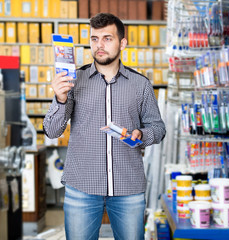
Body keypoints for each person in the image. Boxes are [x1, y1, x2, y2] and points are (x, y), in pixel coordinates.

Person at [43, 13, 166, 240]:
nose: (99, 45)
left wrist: (142, 134)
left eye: (107, 38)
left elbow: (158, 128)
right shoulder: (72, 81)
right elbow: (52, 130)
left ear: (122, 43)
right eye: (94, 39)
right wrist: (60, 99)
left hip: (127, 186)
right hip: (82, 186)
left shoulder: (140, 84)